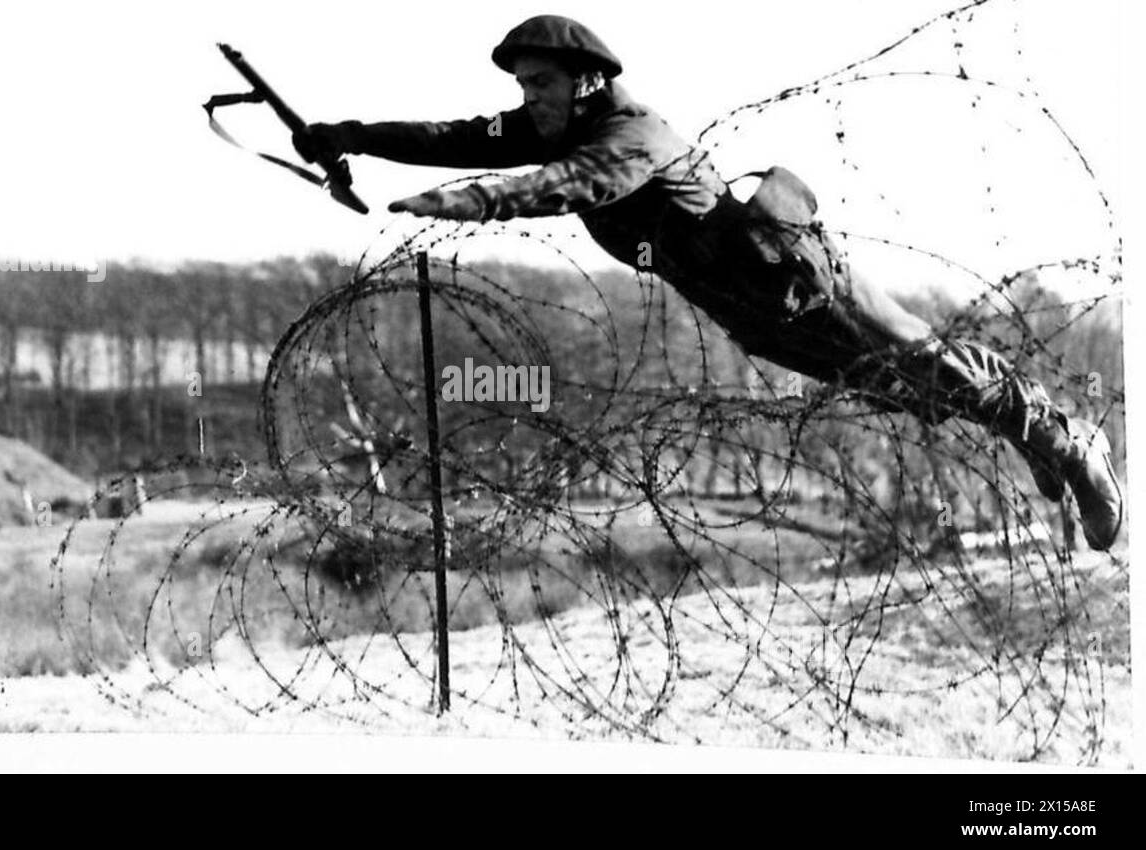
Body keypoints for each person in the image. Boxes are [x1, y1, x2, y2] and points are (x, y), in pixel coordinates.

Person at [293, 15, 1122, 550]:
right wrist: (351, 136)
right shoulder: (560, 120)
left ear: (585, 79)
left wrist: (465, 202)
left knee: (923, 366)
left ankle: (1065, 442)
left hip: (793, 279)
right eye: (521, 86)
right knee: (897, 384)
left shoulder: (629, 134)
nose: (525, 97)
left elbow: (567, 184)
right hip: (748, 309)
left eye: (538, 82)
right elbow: (461, 135)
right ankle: (1027, 428)